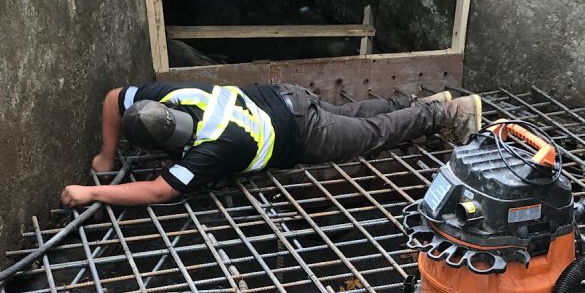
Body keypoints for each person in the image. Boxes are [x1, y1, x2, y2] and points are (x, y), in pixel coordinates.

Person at [60, 82, 481, 208]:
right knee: (355, 116)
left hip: (301, 134)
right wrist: (105, 156)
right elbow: (116, 97)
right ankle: (422, 104)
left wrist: (93, 189)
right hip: (287, 98)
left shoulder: (213, 147)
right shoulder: (177, 96)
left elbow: (159, 190)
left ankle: (448, 114)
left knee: (371, 135)